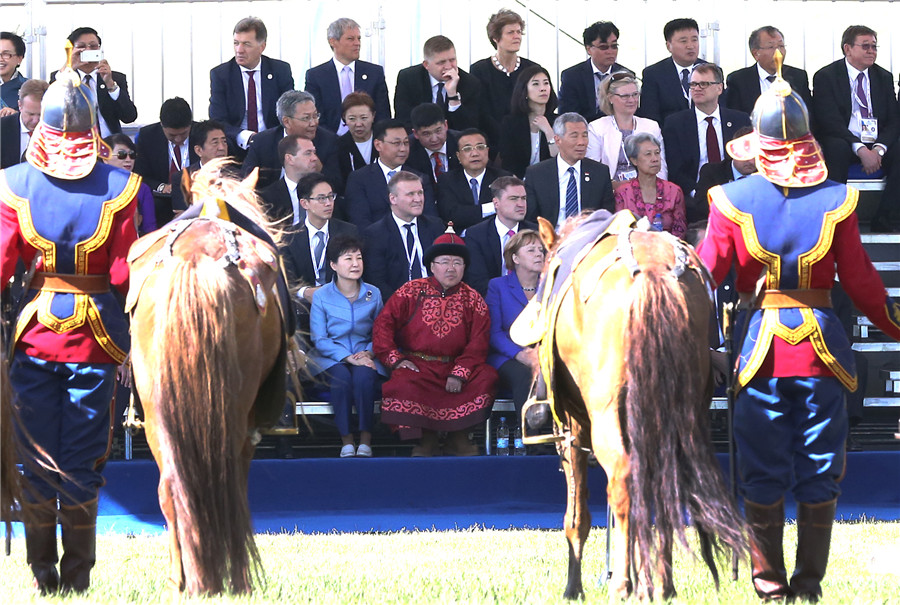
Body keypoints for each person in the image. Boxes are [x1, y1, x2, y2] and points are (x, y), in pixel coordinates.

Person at [697, 60, 900, 602]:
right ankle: (808, 586)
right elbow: (863, 285)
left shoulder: (730, 201)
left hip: (757, 351)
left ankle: (769, 587)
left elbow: (703, 279)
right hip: (821, 354)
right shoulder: (839, 199)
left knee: (760, 472)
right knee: (820, 468)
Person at [0, 53, 138, 594]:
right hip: (98, 342)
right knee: (83, 464)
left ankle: (42, 577)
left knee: (35, 462)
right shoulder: (123, 186)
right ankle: (77, 580)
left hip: (33, 336)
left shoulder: (13, 184)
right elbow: (127, 275)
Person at [373, 227, 497, 457]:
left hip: (456, 366)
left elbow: (479, 342)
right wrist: (396, 360)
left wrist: (459, 372)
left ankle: (458, 437)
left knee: (487, 377)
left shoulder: (473, 299)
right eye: (444, 261)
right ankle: (425, 440)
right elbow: (383, 326)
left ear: (465, 267)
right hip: (418, 365)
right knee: (403, 382)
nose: (451, 268)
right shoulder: (410, 291)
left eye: (457, 262)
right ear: (432, 266)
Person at [812, 25, 900, 233]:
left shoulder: (883, 77)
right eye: (866, 46)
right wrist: (860, 149)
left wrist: (878, 149)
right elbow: (828, 120)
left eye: (874, 47)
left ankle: (885, 218)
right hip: (844, 139)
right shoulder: (826, 76)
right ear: (848, 49)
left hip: (876, 142)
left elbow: (894, 120)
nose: (872, 51)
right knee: (836, 147)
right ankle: (835, 219)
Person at [308, 235, 385, 458]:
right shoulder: (321, 296)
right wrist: (347, 357)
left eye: (358, 258)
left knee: (364, 377)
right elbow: (319, 339)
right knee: (341, 379)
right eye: (348, 258)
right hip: (330, 356)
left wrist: (370, 352)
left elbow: (381, 331)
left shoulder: (373, 293)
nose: (355, 264)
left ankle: (366, 440)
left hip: (365, 353)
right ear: (333, 265)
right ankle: (347, 440)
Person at [663, 63, 751, 221]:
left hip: (736, 196)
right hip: (694, 200)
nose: (697, 88)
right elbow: (675, 169)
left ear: (719, 88)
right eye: (693, 84)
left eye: (704, 84)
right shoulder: (675, 123)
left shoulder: (740, 119)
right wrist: (697, 192)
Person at [208, 17, 294, 152]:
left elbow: (289, 113)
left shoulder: (279, 71)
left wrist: (268, 138)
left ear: (262, 47)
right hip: (236, 145)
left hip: (274, 144)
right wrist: (245, 136)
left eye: (246, 44)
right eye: (236, 43)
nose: (239, 50)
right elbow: (217, 120)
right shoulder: (221, 75)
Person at [485, 230, 544, 415]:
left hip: (543, 355)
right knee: (524, 375)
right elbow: (494, 334)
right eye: (531, 250)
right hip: (507, 356)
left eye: (541, 250)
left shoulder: (550, 286)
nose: (539, 254)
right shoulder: (497, 286)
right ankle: (531, 439)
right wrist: (521, 355)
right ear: (515, 258)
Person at [361, 171, 445, 301]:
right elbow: (377, 281)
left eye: (420, 193)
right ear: (393, 198)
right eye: (410, 194)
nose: (418, 199)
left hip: (437, 301)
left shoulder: (435, 226)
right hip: (399, 306)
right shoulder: (375, 234)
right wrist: (404, 306)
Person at [524, 113, 615, 228]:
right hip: (551, 239)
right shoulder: (537, 174)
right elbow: (531, 220)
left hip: (588, 238)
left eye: (585, 135)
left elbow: (606, 216)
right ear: (558, 140)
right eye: (574, 136)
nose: (581, 142)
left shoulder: (600, 172)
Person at [281, 172, 358, 306]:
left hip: (341, 303)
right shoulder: (289, 237)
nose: (328, 203)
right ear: (305, 203)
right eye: (321, 198)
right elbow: (287, 278)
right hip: (302, 307)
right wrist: (305, 292)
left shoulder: (349, 232)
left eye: (330, 197)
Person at [344, 118, 437, 229]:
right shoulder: (359, 179)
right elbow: (359, 220)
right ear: (378, 145)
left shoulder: (419, 178)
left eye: (406, 143)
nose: (403, 149)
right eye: (396, 143)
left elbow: (430, 219)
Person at [304, 18, 391, 135]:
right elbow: (316, 116)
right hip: (330, 141)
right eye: (351, 39)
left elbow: (383, 114)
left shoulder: (375, 73)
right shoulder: (316, 76)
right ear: (333, 41)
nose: (357, 43)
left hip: (368, 140)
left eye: (359, 38)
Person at [241, 90, 340, 191]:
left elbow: (337, 184)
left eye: (315, 116)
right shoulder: (262, 142)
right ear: (287, 122)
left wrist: (318, 168)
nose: (313, 123)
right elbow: (246, 181)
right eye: (306, 118)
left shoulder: (329, 141)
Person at [51, 27, 138, 137]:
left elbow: (129, 117)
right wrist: (69, 67)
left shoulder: (114, 78)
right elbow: (51, 110)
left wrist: (110, 85)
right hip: (75, 145)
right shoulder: (62, 76)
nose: (88, 50)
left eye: (93, 46)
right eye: (81, 47)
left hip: (109, 145)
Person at [470, 9, 539, 145]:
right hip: (491, 141)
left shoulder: (532, 68)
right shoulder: (479, 70)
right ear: (496, 38)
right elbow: (480, 111)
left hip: (526, 139)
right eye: (510, 32)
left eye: (519, 32)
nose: (517, 36)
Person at [587, 72, 667, 187]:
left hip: (648, 190)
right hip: (611, 192)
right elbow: (593, 170)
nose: (632, 100)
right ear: (610, 98)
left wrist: (657, 190)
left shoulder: (651, 126)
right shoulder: (596, 128)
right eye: (625, 96)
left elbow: (661, 167)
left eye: (635, 94)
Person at [464, 175, 536, 296]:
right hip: (493, 300)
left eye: (523, 198)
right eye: (513, 198)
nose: (521, 204)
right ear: (496, 203)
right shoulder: (476, 235)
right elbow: (478, 282)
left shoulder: (536, 232)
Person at [394, 35, 482, 132]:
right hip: (419, 140)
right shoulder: (409, 78)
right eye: (441, 62)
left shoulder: (470, 83)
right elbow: (403, 120)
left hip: (454, 143)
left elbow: (468, 128)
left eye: (452, 60)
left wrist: (452, 95)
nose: (449, 66)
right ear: (426, 65)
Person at [725, 26, 812, 116]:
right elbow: (736, 119)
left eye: (781, 46)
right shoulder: (739, 81)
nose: (778, 53)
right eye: (771, 47)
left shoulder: (798, 77)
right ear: (756, 53)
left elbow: (808, 116)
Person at [436, 128, 511, 232]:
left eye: (480, 147)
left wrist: (468, 213)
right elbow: (451, 215)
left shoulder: (503, 178)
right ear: (458, 156)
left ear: (487, 151)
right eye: (467, 149)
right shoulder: (446, 180)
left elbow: (509, 212)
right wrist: (492, 207)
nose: (475, 153)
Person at [614, 133, 686, 238]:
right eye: (648, 154)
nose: (655, 159)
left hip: (667, 249)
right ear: (634, 160)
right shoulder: (623, 193)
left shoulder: (674, 191)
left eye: (657, 153)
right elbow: (619, 231)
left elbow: (680, 231)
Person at [558, 21, 632, 123]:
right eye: (603, 47)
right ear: (589, 49)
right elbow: (568, 115)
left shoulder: (625, 75)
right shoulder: (572, 76)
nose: (610, 51)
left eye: (614, 46)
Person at [638, 18, 706, 126]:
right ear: (669, 46)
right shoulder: (653, 74)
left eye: (694, 39)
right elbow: (650, 116)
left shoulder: (710, 71)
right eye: (683, 41)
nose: (690, 46)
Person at [498, 64, 559, 178]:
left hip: (551, 181)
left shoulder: (558, 121)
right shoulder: (511, 123)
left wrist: (548, 131)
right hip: (520, 182)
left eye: (546, 83)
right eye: (536, 84)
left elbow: (558, 157)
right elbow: (508, 161)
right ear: (524, 90)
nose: (543, 88)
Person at [259, 134, 322, 225]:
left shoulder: (325, 190)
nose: (315, 158)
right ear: (290, 159)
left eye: (314, 152)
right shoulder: (266, 197)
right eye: (308, 153)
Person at [694, 125, 757, 216]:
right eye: (745, 154)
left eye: (754, 155)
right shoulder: (711, 172)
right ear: (733, 151)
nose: (750, 160)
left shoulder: (766, 176)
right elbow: (702, 206)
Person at [103, 133, 157, 235]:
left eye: (132, 155)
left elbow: (150, 229)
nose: (128, 160)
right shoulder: (95, 186)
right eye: (121, 155)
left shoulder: (141, 188)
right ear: (105, 158)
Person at [170, 119, 229, 213]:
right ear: (199, 150)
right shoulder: (182, 178)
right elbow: (181, 215)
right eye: (215, 143)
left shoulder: (238, 177)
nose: (222, 147)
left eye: (224, 142)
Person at [406, 102, 461, 187]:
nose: (434, 139)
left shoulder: (461, 143)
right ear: (415, 133)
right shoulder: (407, 151)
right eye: (426, 134)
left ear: (446, 125)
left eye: (438, 131)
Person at [0, 78, 47, 169]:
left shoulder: (59, 131)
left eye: (41, 115)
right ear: (20, 105)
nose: (36, 120)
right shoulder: (2, 128)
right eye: (31, 114)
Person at [336, 91, 379, 183]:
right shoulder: (338, 146)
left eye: (364, 118)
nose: (358, 124)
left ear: (373, 116)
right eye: (352, 119)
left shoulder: (383, 139)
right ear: (344, 118)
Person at [1, 31, 27, 113]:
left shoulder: (30, 88)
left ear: (19, 58)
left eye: (6, 54)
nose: (1, 59)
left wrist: (17, 116)